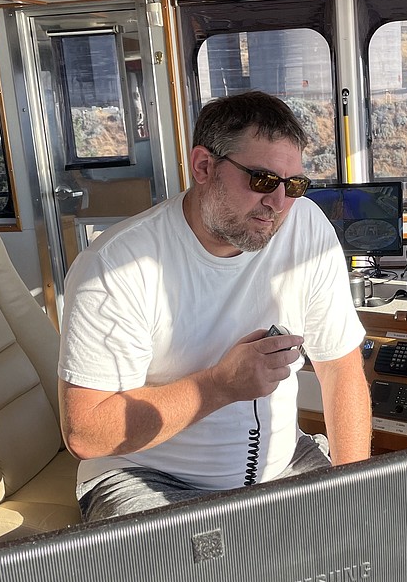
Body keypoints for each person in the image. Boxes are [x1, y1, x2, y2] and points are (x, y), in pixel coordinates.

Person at [58, 91, 372, 522]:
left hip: (283, 463)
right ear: (204, 166)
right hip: (149, 475)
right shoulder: (115, 267)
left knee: (370, 555)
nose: (278, 204)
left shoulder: (306, 227)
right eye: (262, 180)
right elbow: (87, 432)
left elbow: (340, 367)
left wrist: (356, 489)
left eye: (294, 185)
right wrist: (221, 386)